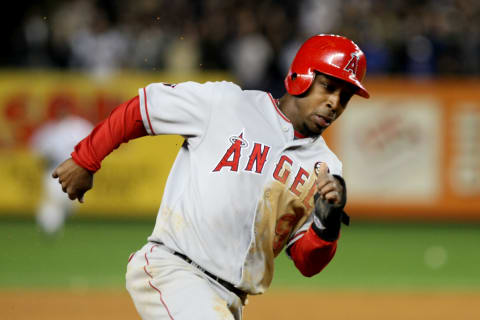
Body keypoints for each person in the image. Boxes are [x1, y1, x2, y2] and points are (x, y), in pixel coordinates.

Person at [52, 34, 369, 319]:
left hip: (229, 300)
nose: (335, 103)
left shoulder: (326, 168)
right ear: (302, 76)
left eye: (345, 96)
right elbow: (143, 110)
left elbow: (306, 261)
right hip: (176, 270)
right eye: (329, 87)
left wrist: (326, 226)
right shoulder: (227, 104)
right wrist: (86, 159)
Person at [30, 98, 93, 235]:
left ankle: (46, 220)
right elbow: (39, 152)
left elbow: (93, 146)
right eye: (59, 110)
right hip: (55, 170)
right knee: (54, 201)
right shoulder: (49, 130)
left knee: (69, 206)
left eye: (64, 109)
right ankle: (48, 228)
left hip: (76, 171)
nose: (62, 112)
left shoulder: (80, 126)